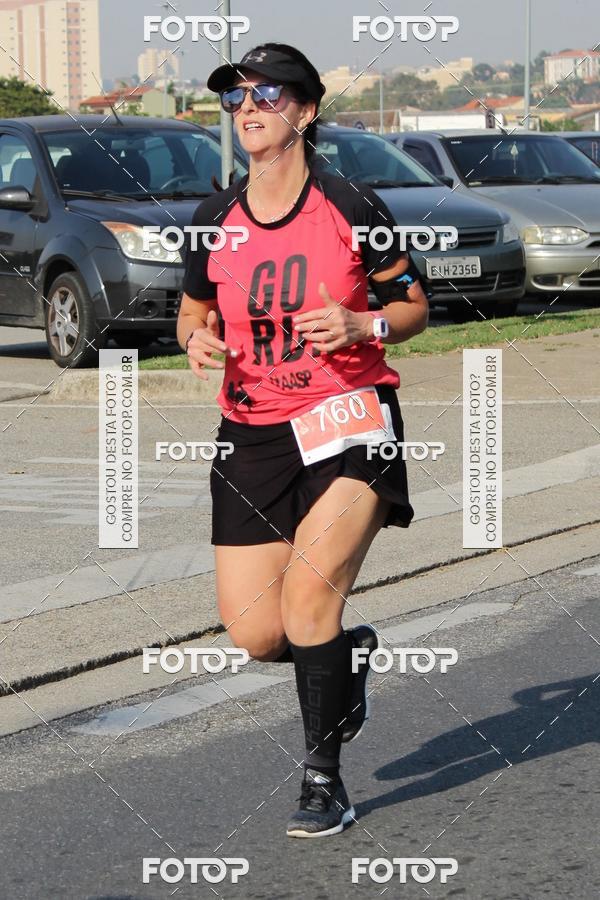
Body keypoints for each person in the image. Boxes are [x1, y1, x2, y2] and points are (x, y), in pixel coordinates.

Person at [178, 42, 429, 838]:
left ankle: (324, 780)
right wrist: (194, 338)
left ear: (306, 111)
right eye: (235, 97)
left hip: (350, 420)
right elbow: (193, 312)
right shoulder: (213, 220)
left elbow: (414, 306)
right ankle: (342, 658)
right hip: (252, 433)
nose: (249, 108)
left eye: (268, 94)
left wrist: (364, 323)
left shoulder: (352, 208)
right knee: (258, 633)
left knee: (309, 599)